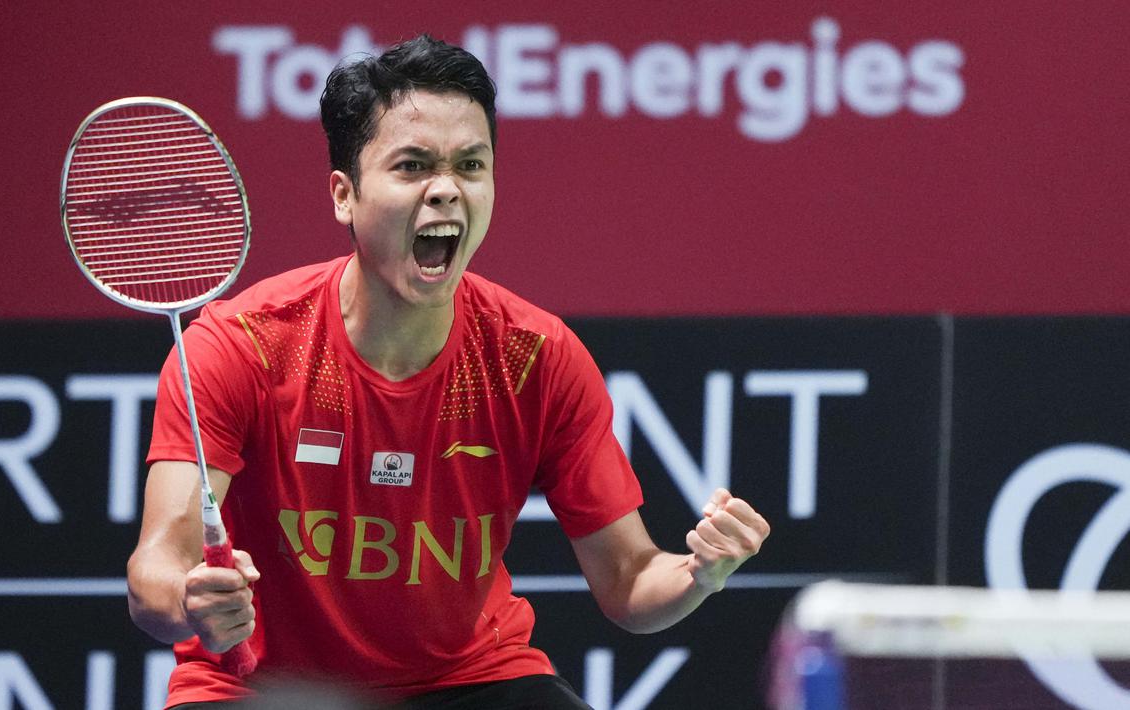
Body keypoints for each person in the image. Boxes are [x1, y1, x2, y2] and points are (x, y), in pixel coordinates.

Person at [126, 34, 770, 709]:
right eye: (411, 167)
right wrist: (190, 599)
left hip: (468, 683)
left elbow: (631, 584)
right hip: (260, 687)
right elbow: (153, 576)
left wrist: (699, 572)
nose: (446, 191)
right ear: (345, 195)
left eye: (470, 164)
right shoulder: (243, 345)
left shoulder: (533, 358)